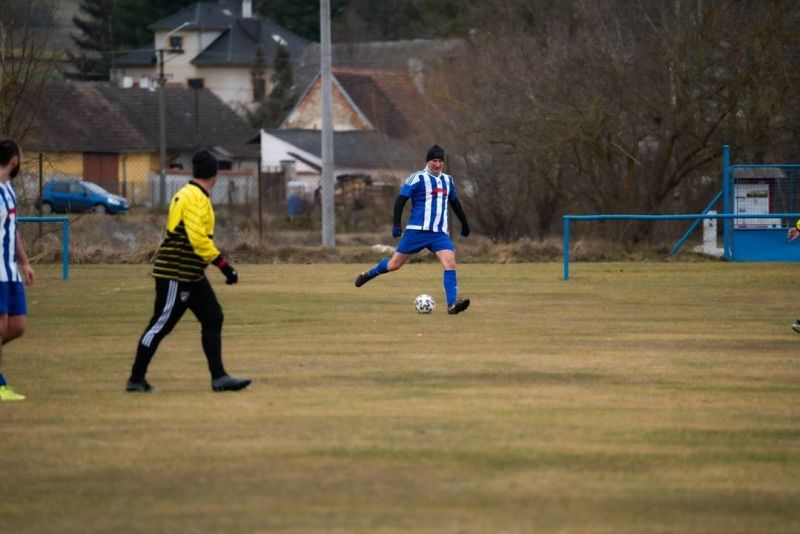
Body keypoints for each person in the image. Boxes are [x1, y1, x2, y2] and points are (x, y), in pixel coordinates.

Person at [127, 149, 251, 392]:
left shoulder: (189, 194)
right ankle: (135, 379)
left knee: (213, 316)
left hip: (191, 274)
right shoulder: (194, 198)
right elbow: (198, 240)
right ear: (214, 175)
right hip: (176, 274)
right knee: (160, 325)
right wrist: (224, 266)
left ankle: (219, 377)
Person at [355, 144, 471, 314]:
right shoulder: (416, 178)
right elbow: (400, 201)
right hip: (416, 231)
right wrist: (396, 224)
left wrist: (464, 223)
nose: (437, 164)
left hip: (439, 233)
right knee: (394, 265)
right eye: (434, 161)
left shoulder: (448, 180)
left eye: (440, 161)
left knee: (450, 263)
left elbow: (455, 203)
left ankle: (452, 305)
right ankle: (369, 273)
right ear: (428, 161)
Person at [0, 139, 35, 401]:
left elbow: (14, 230)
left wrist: (24, 262)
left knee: (18, 326)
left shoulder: (8, 188)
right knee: (1, 326)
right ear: (14, 160)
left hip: (10, 270)